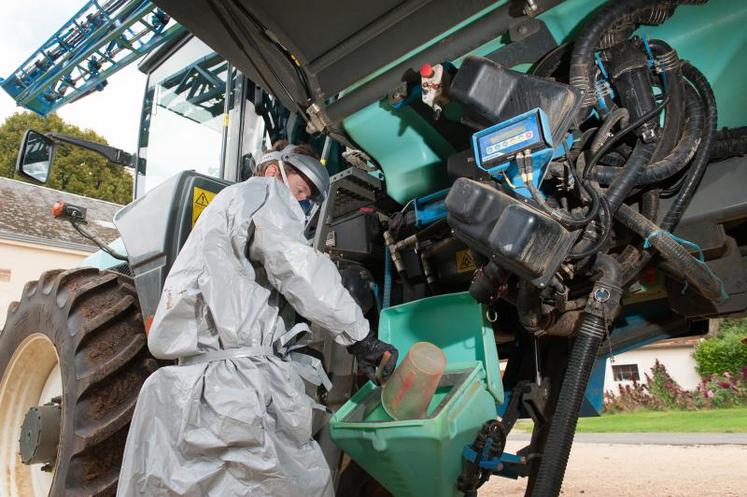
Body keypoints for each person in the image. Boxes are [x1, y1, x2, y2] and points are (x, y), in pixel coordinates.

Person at [117, 141, 398, 497]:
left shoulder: (227, 208)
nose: (301, 203)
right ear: (272, 170)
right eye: (299, 190)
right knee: (295, 484)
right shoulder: (264, 192)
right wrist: (361, 338)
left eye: (308, 198)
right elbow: (297, 267)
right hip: (239, 390)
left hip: (199, 386)